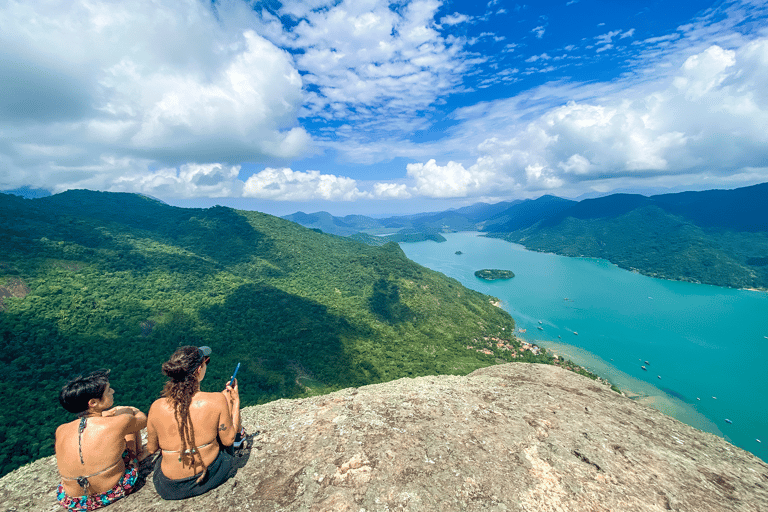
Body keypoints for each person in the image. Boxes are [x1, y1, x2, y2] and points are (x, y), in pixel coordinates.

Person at [146, 345, 244, 500]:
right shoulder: (217, 400)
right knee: (224, 437)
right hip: (209, 476)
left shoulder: (156, 407)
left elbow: (151, 448)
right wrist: (234, 401)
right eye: (206, 362)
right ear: (199, 369)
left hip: (169, 487)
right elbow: (229, 439)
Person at [55, 369, 147, 511]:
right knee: (128, 425)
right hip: (112, 490)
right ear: (93, 403)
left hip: (73, 500)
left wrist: (105, 414)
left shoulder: (60, 430)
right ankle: (139, 455)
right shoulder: (119, 421)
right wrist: (129, 410)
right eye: (108, 391)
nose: (113, 391)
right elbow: (142, 420)